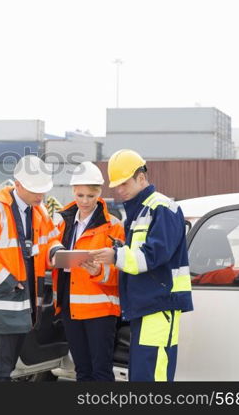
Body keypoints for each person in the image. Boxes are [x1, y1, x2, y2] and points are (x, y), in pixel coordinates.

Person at [92, 149, 193, 382]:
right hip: (145, 306)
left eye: (123, 183)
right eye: (115, 186)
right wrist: (117, 251)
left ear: (141, 177)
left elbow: (152, 256)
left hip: (159, 305)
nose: (119, 190)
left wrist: (115, 255)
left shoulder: (162, 208)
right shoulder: (139, 213)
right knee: (141, 376)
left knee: (152, 377)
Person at [0, 155, 57, 381]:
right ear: (18, 185)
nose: (41, 195)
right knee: (0, 368)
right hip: (4, 301)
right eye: (36, 190)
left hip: (27, 305)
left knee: (13, 369)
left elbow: (51, 241)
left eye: (43, 190)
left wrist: (57, 253)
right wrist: (6, 281)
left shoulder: (40, 211)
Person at [47, 161, 124, 381]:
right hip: (70, 306)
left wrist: (99, 271)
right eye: (80, 195)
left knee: (100, 371)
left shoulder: (114, 226)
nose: (84, 201)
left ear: (99, 193)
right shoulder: (62, 222)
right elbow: (49, 245)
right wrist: (55, 252)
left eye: (90, 196)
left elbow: (121, 271)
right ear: (73, 191)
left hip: (100, 310)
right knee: (81, 370)